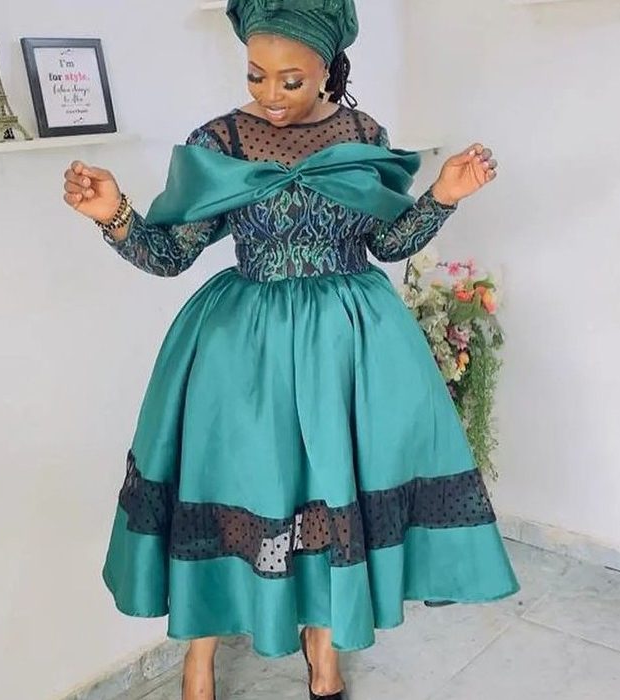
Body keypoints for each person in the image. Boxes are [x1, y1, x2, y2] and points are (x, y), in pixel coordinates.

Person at [63, 1, 518, 698]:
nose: (270, 95)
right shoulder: (219, 141)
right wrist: (115, 215)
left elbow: (386, 242)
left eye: (290, 80)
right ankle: (198, 656)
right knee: (229, 489)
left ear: (328, 69)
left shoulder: (362, 134)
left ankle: (322, 647)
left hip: (349, 342)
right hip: (245, 348)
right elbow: (169, 255)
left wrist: (443, 196)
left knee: (330, 488)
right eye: (256, 75)